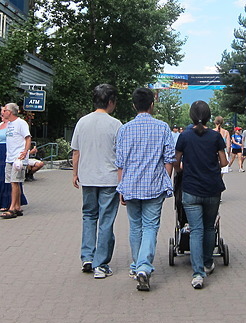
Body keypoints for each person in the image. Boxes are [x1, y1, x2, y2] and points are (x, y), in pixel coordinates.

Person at [115, 87, 175, 291]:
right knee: (150, 226)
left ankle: (136, 266)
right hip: (154, 185)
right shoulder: (163, 127)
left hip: (130, 185)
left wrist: (121, 186)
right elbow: (169, 159)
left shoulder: (124, 129)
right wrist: (166, 180)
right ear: (152, 104)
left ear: (134, 105)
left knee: (135, 226)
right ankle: (143, 266)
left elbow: (120, 162)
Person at [174, 101, 228, 289]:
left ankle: (197, 274)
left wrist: (184, 168)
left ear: (191, 116)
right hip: (212, 188)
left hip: (191, 189)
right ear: (208, 116)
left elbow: (176, 161)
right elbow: (223, 162)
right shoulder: (215, 137)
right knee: (209, 227)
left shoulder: (184, 137)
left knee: (196, 229)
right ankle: (207, 262)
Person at [71, 84, 123, 279]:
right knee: (106, 220)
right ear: (110, 102)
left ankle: (87, 257)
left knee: (89, 216)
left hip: (88, 177)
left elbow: (76, 151)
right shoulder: (115, 124)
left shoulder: (82, 122)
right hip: (109, 178)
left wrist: (75, 173)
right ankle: (101, 264)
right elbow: (121, 154)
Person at [0, 108, 27, 211]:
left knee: (6, 177)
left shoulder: (13, 124)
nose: (2, 114)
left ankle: (8, 202)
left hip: (5, 151)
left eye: (4, 111)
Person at [1, 103, 31, 219]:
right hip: (9, 157)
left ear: (10, 112)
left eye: (5, 110)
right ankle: (17, 206)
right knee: (12, 182)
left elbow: (28, 138)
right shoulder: (9, 124)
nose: (3, 112)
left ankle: (12, 208)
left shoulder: (21, 123)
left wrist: (25, 151)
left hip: (18, 158)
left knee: (15, 182)